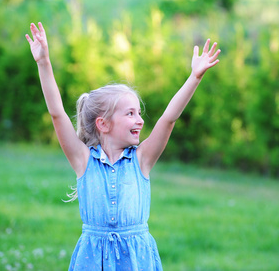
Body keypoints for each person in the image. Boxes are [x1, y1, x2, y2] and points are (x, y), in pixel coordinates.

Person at [25, 22, 220, 270]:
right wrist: (44, 62)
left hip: (137, 260)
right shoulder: (83, 160)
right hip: (93, 261)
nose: (139, 119)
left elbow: (168, 119)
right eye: (130, 113)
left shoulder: (142, 160)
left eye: (139, 113)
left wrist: (194, 77)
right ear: (103, 124)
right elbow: (57, 114)